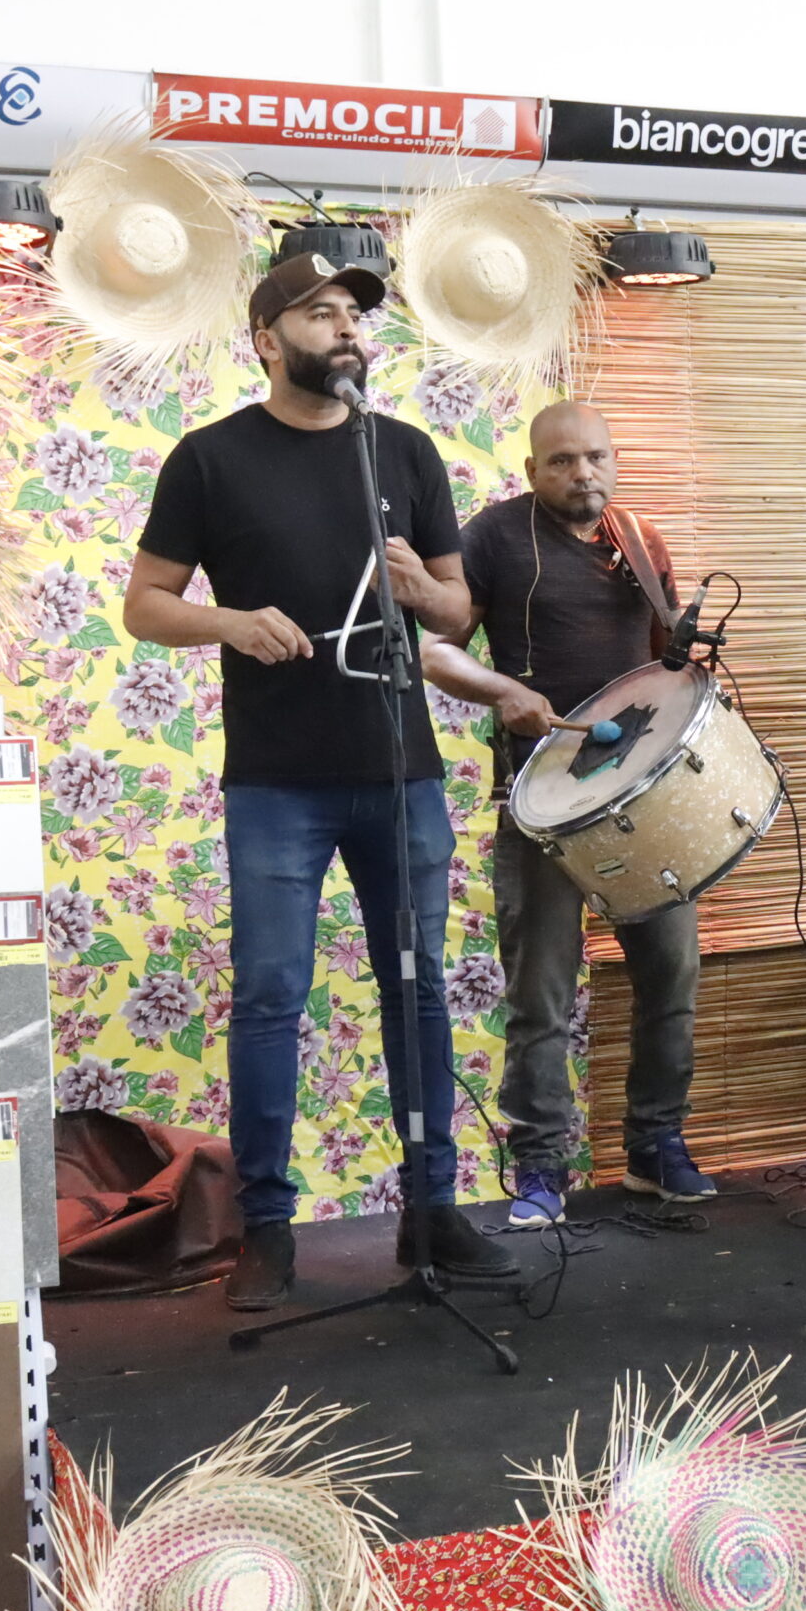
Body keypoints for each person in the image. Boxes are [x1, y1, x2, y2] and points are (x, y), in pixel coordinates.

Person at [126, 253, 520, 1311]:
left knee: (419, 988)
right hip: (276, 784)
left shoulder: (403, 451)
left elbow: (455, 609)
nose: (345, 327)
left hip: (400, 775)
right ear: (265, 336)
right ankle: (267, 1231)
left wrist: (425, 591)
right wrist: (229, 622)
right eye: (319, 311)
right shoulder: (209, 462)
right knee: (267, 999)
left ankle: (430, 1213)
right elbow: (147, 605)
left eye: (354, 313)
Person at [420, 402, 715, 1228]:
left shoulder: (641, 541)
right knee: (542, 996)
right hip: (542, 806)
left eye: (595, 457)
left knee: (672, 978)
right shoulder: (495, 538)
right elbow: (434, 649)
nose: (582, 472)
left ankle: (657, 1148)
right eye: (561, 461)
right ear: (531, 472)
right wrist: (504, 691)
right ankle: (543, 1169)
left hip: (642, 804)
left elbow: (666, 662)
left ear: (613, 461)